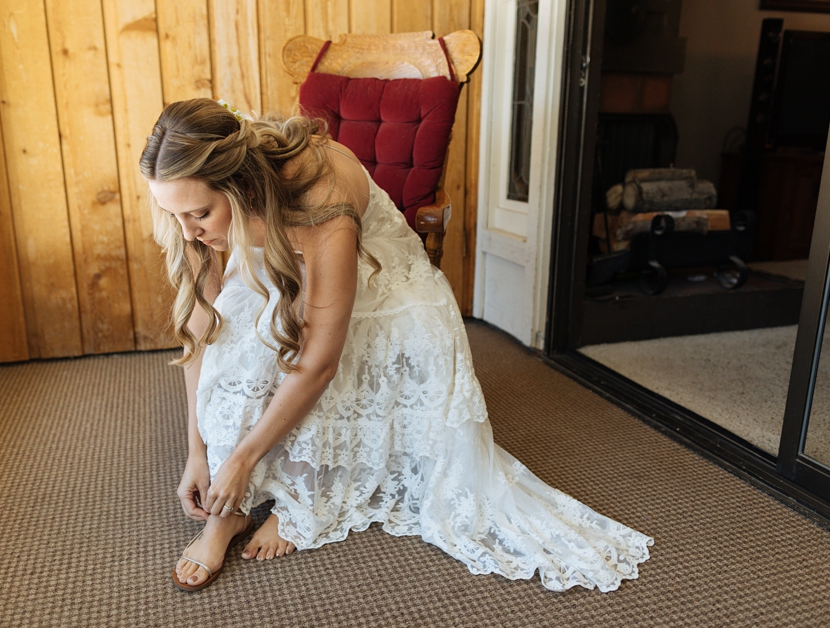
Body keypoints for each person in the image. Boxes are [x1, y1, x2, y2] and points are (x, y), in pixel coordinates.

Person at [141, 99, 653, 592]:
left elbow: (318, 363)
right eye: (175, 214)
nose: (187, 231)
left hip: (377, 273)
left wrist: (244, 458)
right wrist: (200, 454)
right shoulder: (195, 223)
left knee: (312, 351)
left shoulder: (322, 201)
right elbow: (202, 336)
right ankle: (225, 516)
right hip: (285, 257)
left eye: (200, 214)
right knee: (239, 336)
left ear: (239, 187)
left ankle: (298, 500)